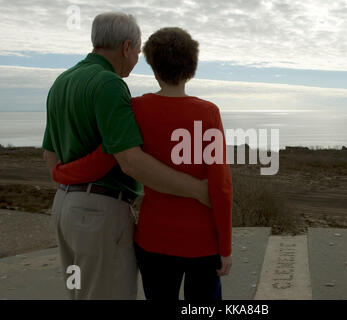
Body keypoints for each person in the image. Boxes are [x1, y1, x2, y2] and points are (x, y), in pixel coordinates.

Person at [52, 27, 233, 301]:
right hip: (203, 243)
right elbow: (221, 186)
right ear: (191, 68)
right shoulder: (208, 113)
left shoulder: (136, 108)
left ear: (153, 67)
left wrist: (61, 173)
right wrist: (226, 247)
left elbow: (105, 158)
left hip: (154, 241)